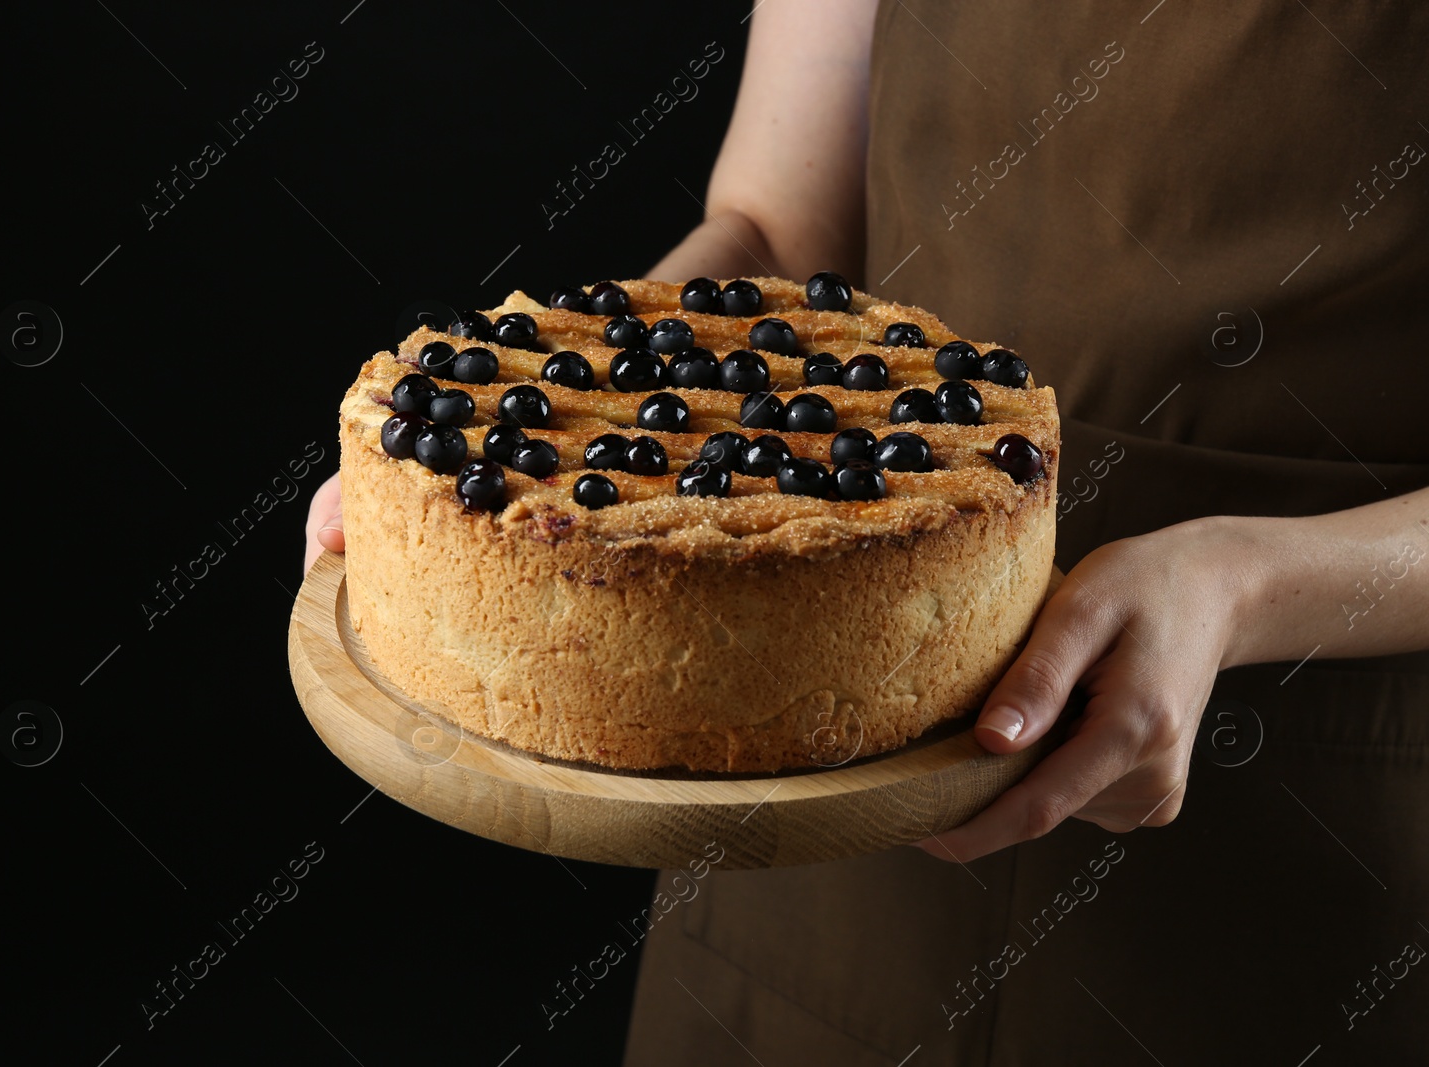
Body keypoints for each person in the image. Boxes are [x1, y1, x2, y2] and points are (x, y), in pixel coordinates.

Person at [308, 2, 1429, 1059]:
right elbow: (768, 229)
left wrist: (1239, 581)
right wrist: (538, 432)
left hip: (1296, 809)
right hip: (807, 798)